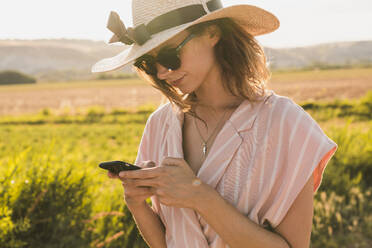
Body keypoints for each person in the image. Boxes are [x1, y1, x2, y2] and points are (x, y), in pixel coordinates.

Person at [92, 1, 338, 247]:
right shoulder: (160, 125)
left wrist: (199, 196)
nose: (162, 72)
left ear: (212, 33)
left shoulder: (287, 125)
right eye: (148, 63)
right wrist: (137, 205)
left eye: (169, 55)